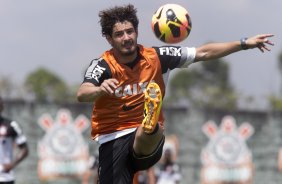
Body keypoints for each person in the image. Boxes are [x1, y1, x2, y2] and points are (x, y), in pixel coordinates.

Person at [76, 4, 274, 183]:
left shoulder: (158, 57)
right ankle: (149, 124)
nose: (126, 37)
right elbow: (82, 92)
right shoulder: (102, 65)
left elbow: (203, 53)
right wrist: (100, 89)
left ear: (136, 32)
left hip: (145, 140)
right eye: (119, 34)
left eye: (130, 31)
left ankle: (150, 121)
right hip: (112, 137)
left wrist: (243, 43)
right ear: (110, 39)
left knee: (145, 131)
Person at [0, 96, 29, 184]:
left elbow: (25, 149)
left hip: (5, 177)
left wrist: (12, 165)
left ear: (2, 107)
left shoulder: (11, 125)